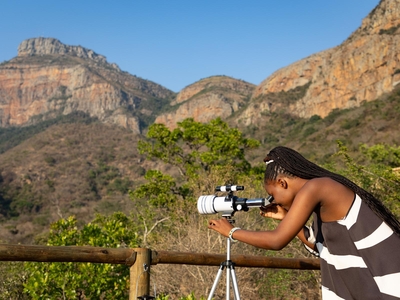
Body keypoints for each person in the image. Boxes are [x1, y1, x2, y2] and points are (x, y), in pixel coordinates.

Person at [208, 146, 400, 299]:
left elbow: (277, 241)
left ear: (283, 183)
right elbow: (320, 246)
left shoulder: (317, 187)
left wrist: (232, 232)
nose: (275, 201)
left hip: (389, 287)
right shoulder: (321, 193)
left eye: (273, 195)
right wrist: (286, 217)